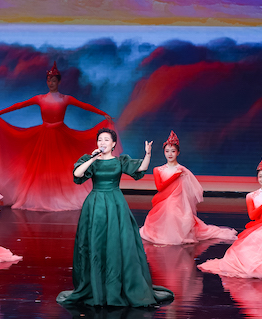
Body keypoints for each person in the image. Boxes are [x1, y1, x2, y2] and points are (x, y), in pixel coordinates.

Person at [56, 128, 174, 307]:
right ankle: (96, 286)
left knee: (117, 243)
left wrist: (148, 154)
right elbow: (77, 174)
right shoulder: (91, 160)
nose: (102, 143)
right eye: (100, 140)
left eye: (106, 140)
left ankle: (117, 285)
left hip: (115, 203)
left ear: (113, 144)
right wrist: (93, 158)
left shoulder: (120, 161)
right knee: (95, 243)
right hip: (95, 205)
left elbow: (141, 168)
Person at [0, 61, 113, 211]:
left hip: (61, 135)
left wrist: (103, 114)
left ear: (59, 82)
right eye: (49, 81)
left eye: (54, 81)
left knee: (62, 167)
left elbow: (84, 105)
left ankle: (63, 195)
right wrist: (1, 112)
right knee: (41, 168)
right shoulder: (40, 98)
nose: (51, 83)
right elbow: (20, 105)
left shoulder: (65, 99)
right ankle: (42, 196)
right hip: (44, 135)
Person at [139, 130, 237, 245]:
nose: (170, 154)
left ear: (178, 153)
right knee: (164, 213)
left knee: (173, 210)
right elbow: (160, 188)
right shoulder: (158, 169)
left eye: (173, 151)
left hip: (178, 202)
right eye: (167, 151)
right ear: (164, 152)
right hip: (163, 201)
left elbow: (191, 190)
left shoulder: (183, 170)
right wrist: (175, 176)